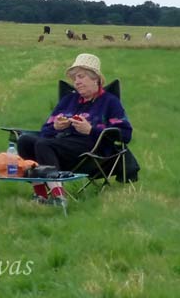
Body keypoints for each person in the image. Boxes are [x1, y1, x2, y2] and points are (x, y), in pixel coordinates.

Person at [16, 53, 133, 204]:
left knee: (43, 144)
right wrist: (56, 127)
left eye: (81, 76)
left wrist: (90, 130)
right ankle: (41, 195)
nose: (76, 82)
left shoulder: (110, 102)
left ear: (95, 79)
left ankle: (59, 197)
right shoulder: (68, 100)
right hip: (61, 145)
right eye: (74, 78)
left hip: (91, 151)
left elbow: (125, 134)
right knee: (24, 140)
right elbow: (45, 130)